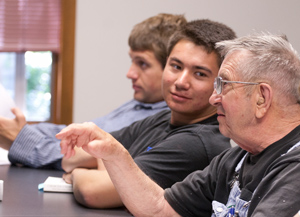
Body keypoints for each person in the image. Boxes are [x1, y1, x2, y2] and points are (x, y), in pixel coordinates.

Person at [57, 33, 300, 216]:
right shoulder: (234, 160)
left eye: (224, 85)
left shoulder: (294, 169)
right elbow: (160, 207)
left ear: (262, 98)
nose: (214, 98)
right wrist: (113, 153)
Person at [58, 19, 236, 208]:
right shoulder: (163, 118)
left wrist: (76, 173)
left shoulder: (197, 144)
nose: (181, 82)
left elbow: (93, 192)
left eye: (200, 74)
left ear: (220, 84)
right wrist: (106, 163)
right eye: (176, 66)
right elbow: (72, 155)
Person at [0, 13, 187, 170]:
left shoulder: (161, 122)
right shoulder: (140, 103)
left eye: (143, 64)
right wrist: (23, 131)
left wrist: (20, 138)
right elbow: (70, 136)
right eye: (132, 61)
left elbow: (87, 156)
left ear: (172, 69)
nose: (130, 73)